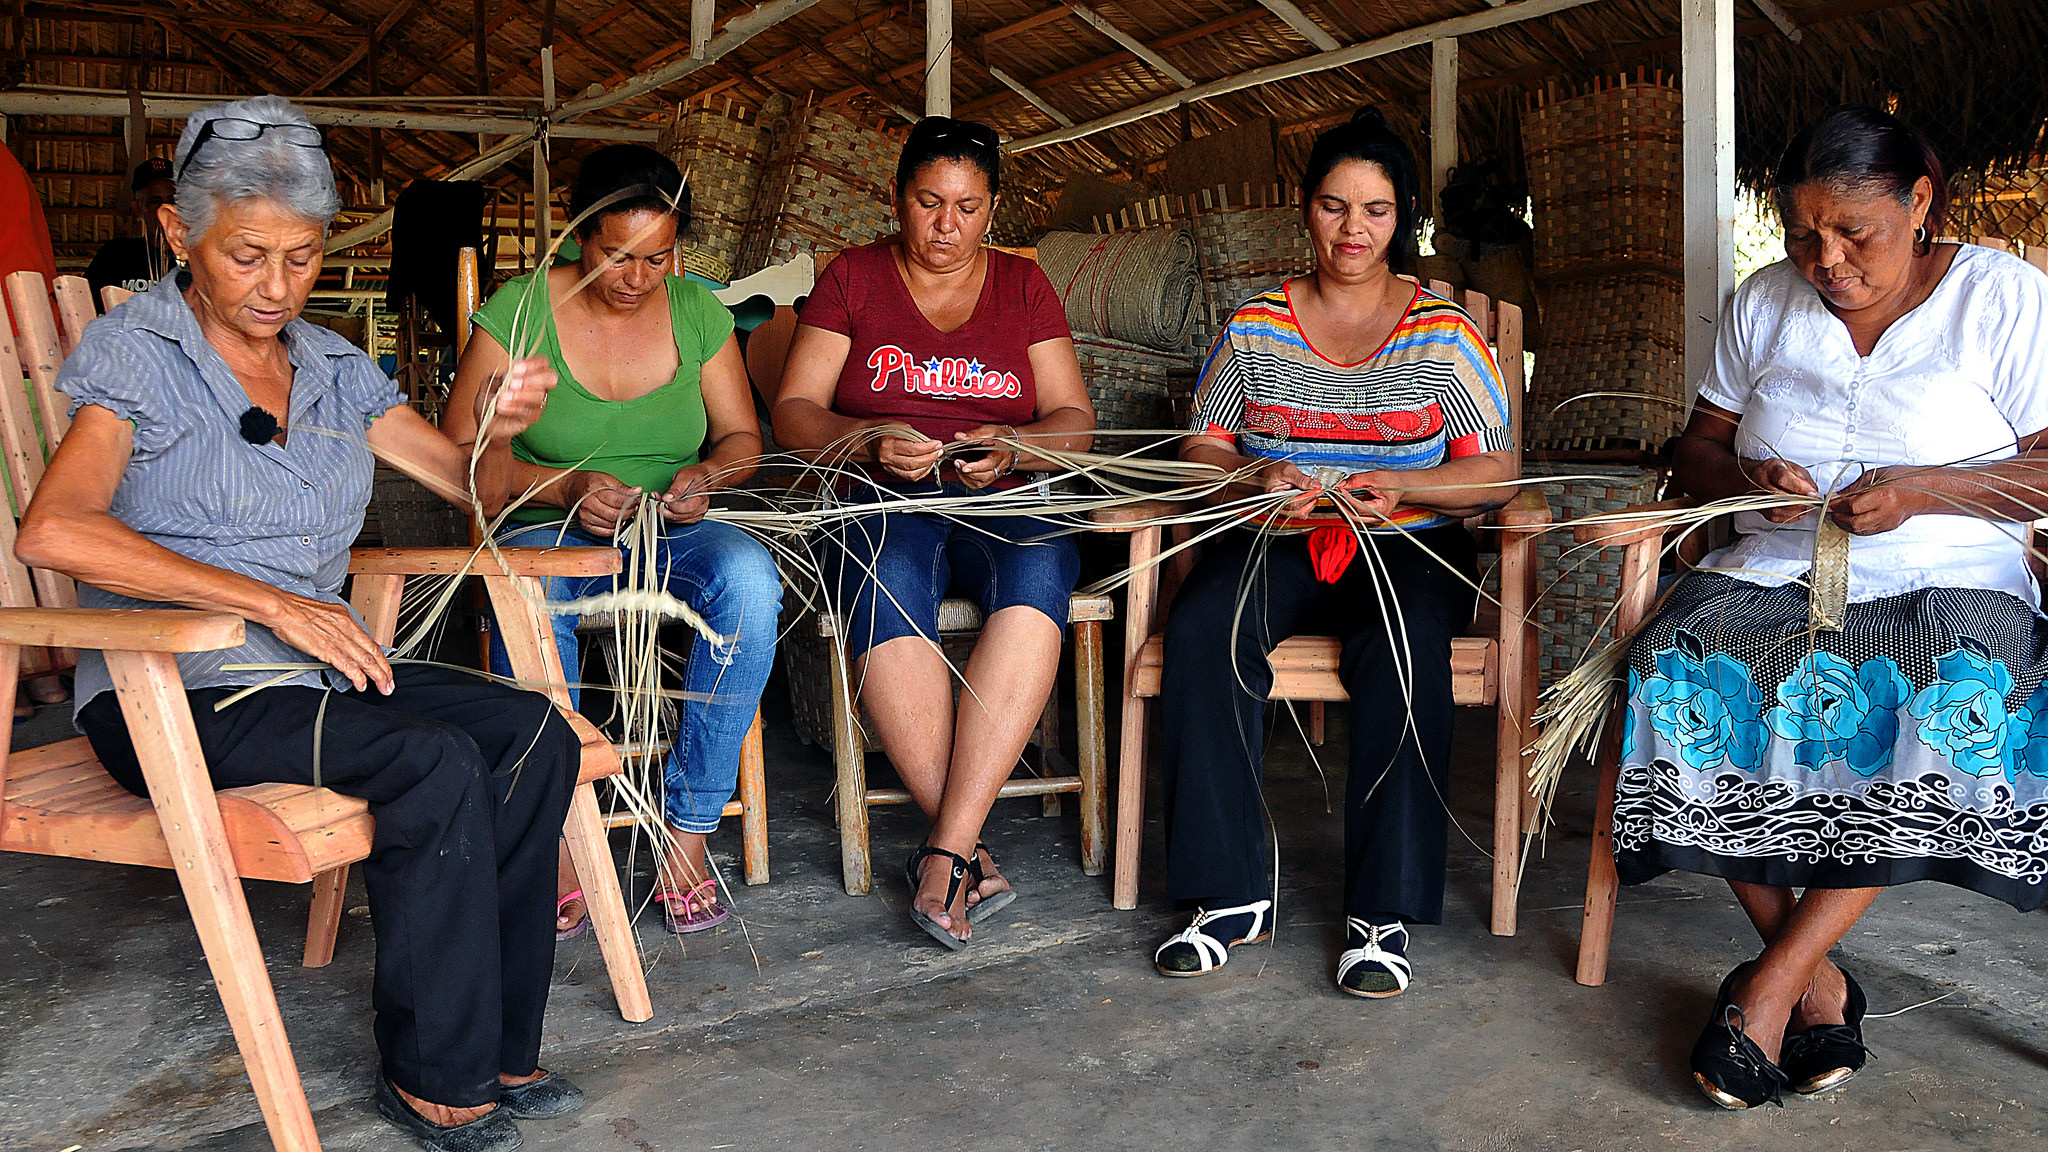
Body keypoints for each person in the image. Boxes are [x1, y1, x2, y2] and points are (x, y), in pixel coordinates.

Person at [17, 95, 581, 1152]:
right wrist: (271, 602)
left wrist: (502, 426)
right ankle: (432, 1076)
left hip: (312, 674)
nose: (276, 287)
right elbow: (57, 530)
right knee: (431, 761)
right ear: (180, 233)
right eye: (247, 256)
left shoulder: (329, 365)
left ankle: (501, 1051)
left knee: (531, 734)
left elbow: (474, 486)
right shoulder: (135, 356)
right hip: (176, 691)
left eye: (302, 256)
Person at [1616, 104, 2048, 1109]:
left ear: (1920, 203)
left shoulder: (2001, 297)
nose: (1827, 260)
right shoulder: (1765, 299)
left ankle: (1768, 987)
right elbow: (1694, 447)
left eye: (1856, 232)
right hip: (1774, 562)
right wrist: (1746, 475)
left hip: (1951, 572)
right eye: (1804, 234)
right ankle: (1815, 981)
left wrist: (1925, 491)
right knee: (1674, 663)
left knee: (1947, 679)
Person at [1149, 107, 1514, 997]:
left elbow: (1496, 474)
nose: (1354, 229)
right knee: (1202, 629)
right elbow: (1203, 448)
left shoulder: (1442, 333)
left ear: (1403, 217)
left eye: (1376, 210)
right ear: (1305, 209)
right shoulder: (1256, 326)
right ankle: (1227, 894)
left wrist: (1407, 485)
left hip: (1407, 543)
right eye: (1334, 206)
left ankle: (1380, 911)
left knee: (1401, 646)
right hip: (1277, 534)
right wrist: (1254, 473)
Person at [773, 116, 1096, 948]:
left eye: (968, 207)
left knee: (1038, 573)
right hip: (882, 498)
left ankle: (946, 848)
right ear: (897, 198)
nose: (947, 226)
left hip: (1004, 500)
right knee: (882, 580)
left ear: (993, 209)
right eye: (928, 203)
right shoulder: (853, 276)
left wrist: (1017, 445)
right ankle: (964, 851)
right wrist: (868, 439)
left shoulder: (1023, 286)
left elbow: (1075, 420)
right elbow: (795, 411)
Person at [447, 144, 782, 937]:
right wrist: (564, 488)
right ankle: (563, 834)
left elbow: (742, 439)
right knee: (529, 596)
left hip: (671, 529)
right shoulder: (521, 310)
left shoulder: (697, 312)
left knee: (749, 581)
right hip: (547, 529)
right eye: (616, 256)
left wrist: (705, 476)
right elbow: (458, 455)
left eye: (657, 259)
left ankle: (687, 834)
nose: (637, 278)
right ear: (578, 236)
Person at [86, 157, 178, 307]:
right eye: (155, 201)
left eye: (172, 200)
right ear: (138, 209)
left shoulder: (196, 257)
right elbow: (87, 305)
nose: (165, 208)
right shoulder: (114, 255)